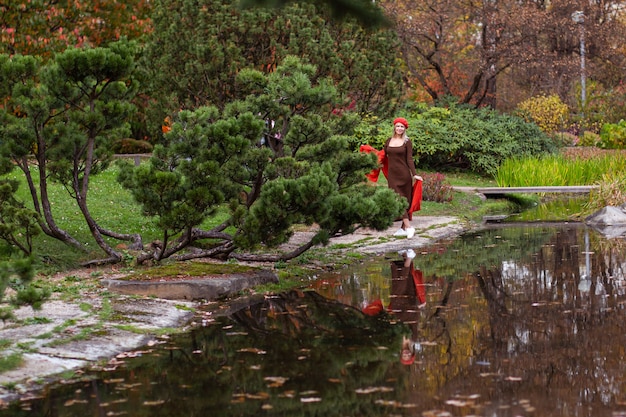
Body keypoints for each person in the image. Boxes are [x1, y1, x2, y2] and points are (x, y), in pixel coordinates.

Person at [384, 117, 422, 238]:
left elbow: (409, 159)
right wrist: (368, 152)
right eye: (398, 126)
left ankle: (406, 228)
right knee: (397, 199)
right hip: (392, 176)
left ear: (405, 129)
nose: (399, 128)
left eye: (402, 127)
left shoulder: (407, 142)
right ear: (394, 127)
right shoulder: (388, 140)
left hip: (404, 175)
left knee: (403, 200)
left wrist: (414, 174)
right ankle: (406, 228)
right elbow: (383, 155)